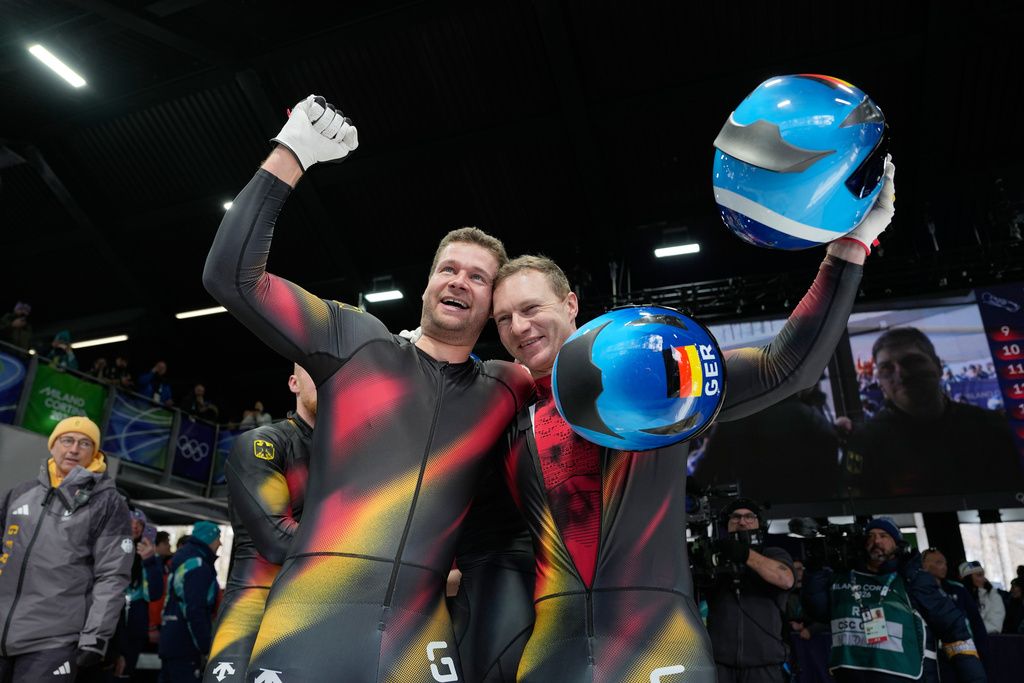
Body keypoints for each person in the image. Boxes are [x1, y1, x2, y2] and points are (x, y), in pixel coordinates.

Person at [488, 161, 891, 683]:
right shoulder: (510, 417)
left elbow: (784, 367)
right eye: (502, 319)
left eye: (530, 308)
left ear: (569, 304)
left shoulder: (650, 378)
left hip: (659, 647)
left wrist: (852, 246)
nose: (518, 328)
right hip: (551, 652)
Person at [202, 94, 534, 682]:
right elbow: (231, 276)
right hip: (308, 627)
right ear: (428, 285)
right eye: (448, 269)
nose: (459, 281)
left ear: (490, 306)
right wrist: (292, 154)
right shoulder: (357, 342)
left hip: (419, 643)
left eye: (477, 277)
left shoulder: (507, 385)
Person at [204, 364, 316, 683]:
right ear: (294, 383)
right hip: (254, 609)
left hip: (324, 614)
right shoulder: (265, 441)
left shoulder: (355, 455)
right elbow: (278, 541)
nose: (327, 377)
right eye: (315, 371)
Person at [0, 417, 134, 682]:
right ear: (53, 446)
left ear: (94, 452)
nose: (74, 449)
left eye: (84, 443)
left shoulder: (107, 502)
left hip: (53, 641)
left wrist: (96, 635)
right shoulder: (20, 493)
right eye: (67, 440)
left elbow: (112, 576)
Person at [842, 327, 1023, 498]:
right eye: (887, 368)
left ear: (938, 366)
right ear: (879, 380)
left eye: (912, 362)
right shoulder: (865, 443)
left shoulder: (989, 426)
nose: (901, 375)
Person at [802, 517, 985, 682]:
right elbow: (818, 611)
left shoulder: (912, 579)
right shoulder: (844, 578)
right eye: (871, 536)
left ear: (899, 546)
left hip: (905, 676)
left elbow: (953, 629)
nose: (877, 541)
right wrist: (813, 569)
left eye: (884, 536)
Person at [704, 499, 796, 682]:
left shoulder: (773, 554)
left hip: (765, 665)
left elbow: (786, 580)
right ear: (726, 524)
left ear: (759, 523)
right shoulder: (716, 559)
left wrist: (745, 555)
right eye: (736, 517)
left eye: (749, 517)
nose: (742, 522)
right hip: (720, 665)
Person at [158, 521, 222, 682]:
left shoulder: (184, 560)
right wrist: (205, 646)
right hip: (185, 644)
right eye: (218, 538)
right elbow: (195, 609)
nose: (220, 543)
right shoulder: (198, 566)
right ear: (208, 538)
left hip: (172, 636)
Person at [921, 549, 990, 671]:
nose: (944, 567)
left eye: (945, 564)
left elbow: (975, 620)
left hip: (962, 651)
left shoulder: (958, 589)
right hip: (930, 654)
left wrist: (981, 650)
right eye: (939, 563)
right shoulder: (916, 592)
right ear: (924, 566)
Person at [959, 561, 1006, 636]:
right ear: (968, 578)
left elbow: (995, 626)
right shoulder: (959, 597)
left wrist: (969, 629)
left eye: (983, 575)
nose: (984, 579)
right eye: (979, 575)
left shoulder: (993, 597)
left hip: (987, 640)